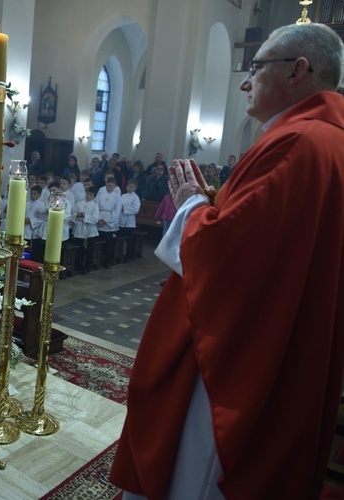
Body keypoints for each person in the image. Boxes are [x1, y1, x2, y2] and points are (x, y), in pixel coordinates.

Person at [110, 23, 344, 499]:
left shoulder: (297, 143)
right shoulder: (326, 142)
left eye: (257, 68)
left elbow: (229, 255)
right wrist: (218, 204)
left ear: (299, 70)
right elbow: (274, 242)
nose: (245, 81)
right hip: (286, 338)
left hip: (237, 354)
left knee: (195, 473)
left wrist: (195, 204)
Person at [72, 186, 100, 273]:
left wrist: (85, 216)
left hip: (89, 231)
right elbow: (73, 213)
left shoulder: (95, 206)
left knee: (89, 250)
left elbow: (95, 218)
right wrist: (77, 215)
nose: (88, 196)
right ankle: (78, 266)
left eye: (90, 195)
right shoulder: (79, 203)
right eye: (87, 194)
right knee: (79, 249)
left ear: (94, 196)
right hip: (80, 229)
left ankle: (88, 267)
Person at [96, 177, 122, 268]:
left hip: (109, 222)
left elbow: (117, 211)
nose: (108, 187)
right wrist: (99, 219)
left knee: (109, 243)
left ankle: (108, 261)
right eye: (107, 185)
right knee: (99, 242)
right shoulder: (101, 194)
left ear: (115, 186)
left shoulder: (117, 197)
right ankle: (98, 260)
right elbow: (96, 206)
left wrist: (106, 221)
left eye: (110, 186)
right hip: (100, 219)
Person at [118, 179, 141, 261]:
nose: (129, 188)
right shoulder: (123, 196)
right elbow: (118, 205)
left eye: (131, 186)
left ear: (135, 187)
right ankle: (118, 254)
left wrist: (125, 208)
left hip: (129, 221)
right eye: (128, 186)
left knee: (129, 240)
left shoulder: (136, 198)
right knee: (120, 238)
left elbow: (136, 209)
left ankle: (129, 255)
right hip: (121, 219)